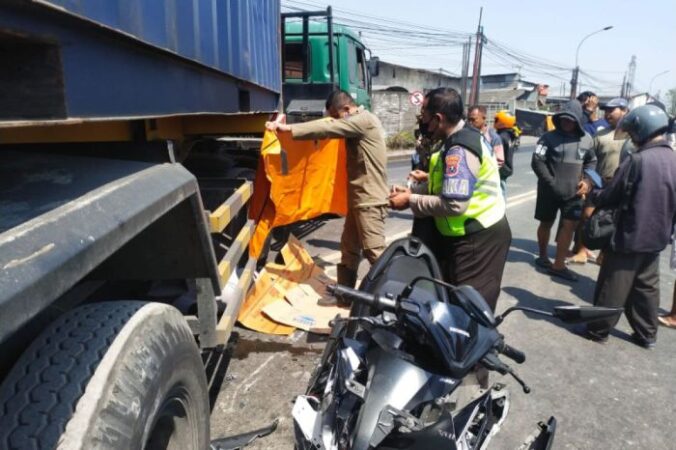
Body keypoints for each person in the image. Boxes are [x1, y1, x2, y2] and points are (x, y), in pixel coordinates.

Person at [388, 88, 511, 311]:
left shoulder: (459, 148)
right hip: (464, 235)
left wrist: (410, 200)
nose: (423, 124)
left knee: (469, 309)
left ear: (438, 119)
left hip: (479, 239)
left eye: (425, 118)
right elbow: (454, 183)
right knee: (451, 299)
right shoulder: (457, 139)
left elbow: (454, 203)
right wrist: (419, 186)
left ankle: (474, 345)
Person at [265, 90, 388, 292]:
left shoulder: (364, 120)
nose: (334, 120)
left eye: (336, 115)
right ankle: (345, 294)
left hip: (370, 201)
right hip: (358, 199)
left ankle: (393, 301)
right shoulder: (357, 121)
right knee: (349, 250)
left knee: (375, 254)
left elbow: (329, 127)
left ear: (347, 109)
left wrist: (287, 128)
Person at [578, 105, 676, 348]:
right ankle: (647, 334)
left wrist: (593, 192)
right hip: (657, 237)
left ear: (642, 130)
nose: (631, 138)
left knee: (613, 285)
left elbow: (611, 195)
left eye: (632, 134)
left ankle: (598, 330)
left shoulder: (637, 160)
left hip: (629, 234)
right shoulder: (673, 159)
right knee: (646, 289)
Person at [532, 100, 596, 281]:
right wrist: (551, 183)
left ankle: (558, 265)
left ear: (577, 120)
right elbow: (537, 162)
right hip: (548, 192)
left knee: (569, 226)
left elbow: (591, 161)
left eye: (571, 120)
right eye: (564, 119)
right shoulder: (547, 138)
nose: (566, 123)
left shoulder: (586, 139)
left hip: (573, 194)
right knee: (546, 223)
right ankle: (543, 256)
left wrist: (587, 181)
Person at [569, 98, 630, 264]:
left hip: (622, 186)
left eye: (612, 110)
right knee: (587, 216)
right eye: (606, 110)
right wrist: (588, 181)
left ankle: (604, 254)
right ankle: (582, 250)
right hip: (599, 184)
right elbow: (589, 161)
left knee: (613, 222)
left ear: (624, 110)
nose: (608, 113)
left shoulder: (633, 135)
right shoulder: (600, 135)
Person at [467, 105, 505, 169]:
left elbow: (499, 161)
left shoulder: (493, 137)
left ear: (484, 118)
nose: (470, 122)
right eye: (469, 119)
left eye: (473, 119)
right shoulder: (466, 135)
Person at [494, 110, 517, 193]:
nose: (495, 122)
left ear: (503, 121)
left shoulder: (501, 137)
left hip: (501, 169)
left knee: (499, 193)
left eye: (496, 120)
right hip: (506, 168)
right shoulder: (510, 134)